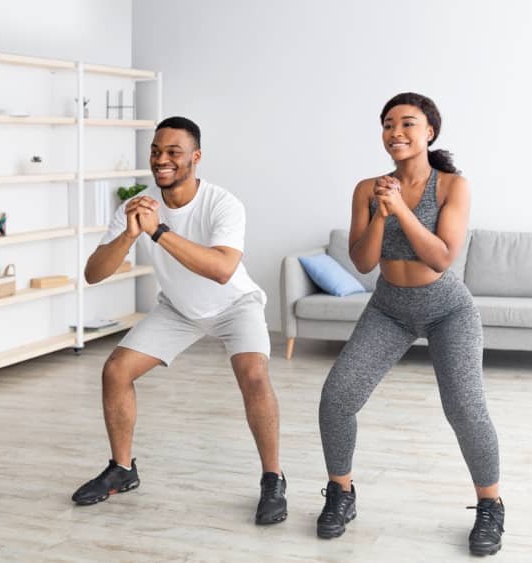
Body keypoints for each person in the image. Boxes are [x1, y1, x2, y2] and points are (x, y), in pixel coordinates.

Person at [71, 116, 287, 526]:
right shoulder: (138, 205)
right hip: (178, 308)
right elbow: (93, 273)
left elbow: (223, 269)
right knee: (115, 371)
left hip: (234, 304)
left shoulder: (223, 203)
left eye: (173, 152)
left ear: (196, 157)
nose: (161, 160)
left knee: (255, 377)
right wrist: (129, 234)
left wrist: (158, 232)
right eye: (156, 151)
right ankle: (122, 469)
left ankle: (273, 479)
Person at [315, 93, 504, 555]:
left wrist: (400, 209)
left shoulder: (454, 186)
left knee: (464, 408)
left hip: (447, 310)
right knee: (337, 398)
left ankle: (490, 506)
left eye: (407, 123)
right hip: (389, 308)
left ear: (429, 132)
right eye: (387, 124)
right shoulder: (368, 188)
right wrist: (381, 212)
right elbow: (362, 262)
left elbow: (441, 256)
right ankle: (341, 492)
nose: (395, 132)